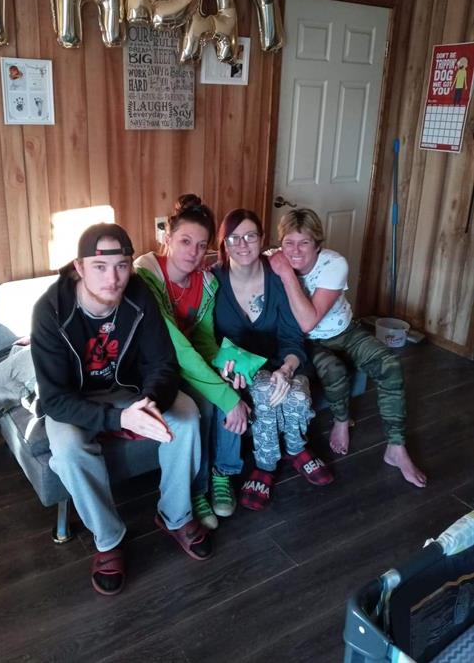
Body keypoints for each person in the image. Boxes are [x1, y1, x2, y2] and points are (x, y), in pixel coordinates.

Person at [31, 223, 212, 597]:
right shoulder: (50, 309)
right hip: (76, 400)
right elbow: (54, 399)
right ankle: (109, 539)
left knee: (187, 416)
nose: (112, 278)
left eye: (122, 266)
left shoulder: (139, 294)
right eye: (99, 267)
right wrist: (117, 421)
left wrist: (150, 403)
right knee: (67, 449)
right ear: (79, 267)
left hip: (131, 390)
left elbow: (162, 363)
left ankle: (175, 515)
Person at [268, 207, 427, 488]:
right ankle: (341, 421)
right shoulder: (274, 260)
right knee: (333, 369)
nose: (295, 251)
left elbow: (308, 320)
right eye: (288, 242)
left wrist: (286, 274)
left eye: (304, 242)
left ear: (318, 244)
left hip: (346, 331)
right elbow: (303, 330)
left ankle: (396, 447)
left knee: (390, 366)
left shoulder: (334, 263)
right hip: (308, 343)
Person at [135, 195, 250, 530]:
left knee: (230, 382)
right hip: (154, 366)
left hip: (187, 362)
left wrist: (228, 367)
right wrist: (226, 398)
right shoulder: (145, 277)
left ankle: (222, 473)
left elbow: (203, 340)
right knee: (209, 403)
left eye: (201, 246)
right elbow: (177, 347)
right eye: (185, 241)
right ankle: (197, 489)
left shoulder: (206, 283)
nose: (193, 252)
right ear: (167, 238)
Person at [212, 209, 334, 511]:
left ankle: (296, 447)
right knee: (267, 391)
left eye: (250, 236)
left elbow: (293, 337)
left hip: (285, 360)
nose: (243, 244)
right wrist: (224, 369)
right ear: (224, 243)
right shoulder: (213, 281)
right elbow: (206, 338)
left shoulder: (278, 277)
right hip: (241, 369)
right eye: (234, 238)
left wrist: (287, 369)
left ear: (262, 239)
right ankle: (265, 465)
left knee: (295, 393)